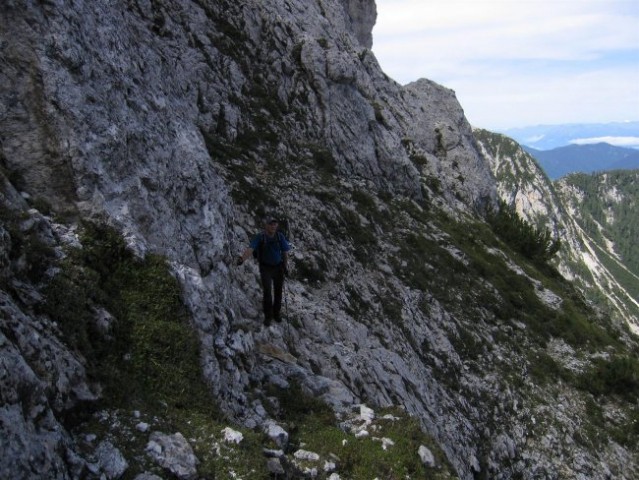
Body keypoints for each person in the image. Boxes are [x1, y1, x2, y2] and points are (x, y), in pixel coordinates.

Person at [237, 216, 291, 326]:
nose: (273, 226)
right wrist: (242, 259)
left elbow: (285, 252)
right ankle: (268, 316)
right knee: (267, 291)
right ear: (266, 225)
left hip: (278, 267)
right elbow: (250, 249)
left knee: (278, 292)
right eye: (271, 224)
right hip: (265, 268)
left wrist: (285, 267)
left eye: (275, 224)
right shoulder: (260, 237)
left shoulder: (280, 236)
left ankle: (276, 314)